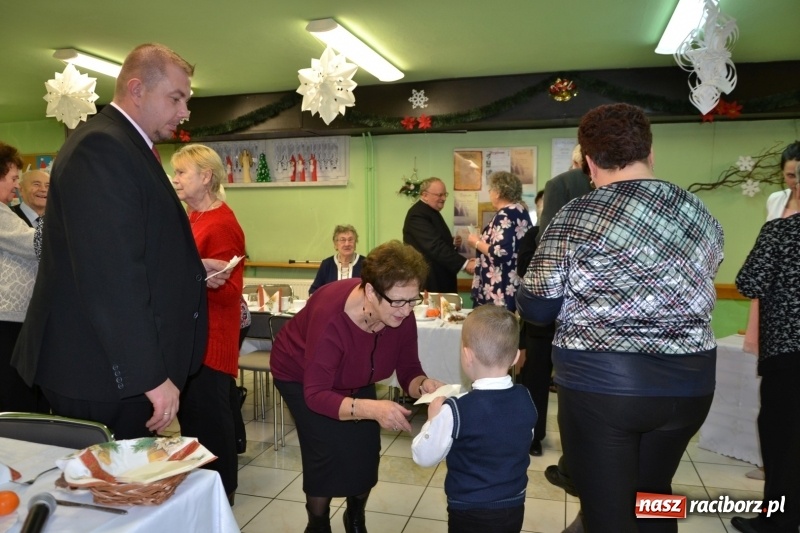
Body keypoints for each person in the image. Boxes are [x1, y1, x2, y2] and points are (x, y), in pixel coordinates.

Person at [517, 103, 724, 532]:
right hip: (690, 385)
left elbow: (536, 306)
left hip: (605, 388)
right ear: (650, 153)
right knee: (654, 496)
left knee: (608, 512)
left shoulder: (576, 214)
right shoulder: (699, 212)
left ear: (590, 163)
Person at [11, 43, 231, 440]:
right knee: (114, 478)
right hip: (101, 373)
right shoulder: (102, 147)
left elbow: (130, 247)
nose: (185, 111)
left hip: (110, 369)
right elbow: (110, 276)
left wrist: (192, 269)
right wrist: (149, 376)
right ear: (137, 89)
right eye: (176, 98)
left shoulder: (126, 146)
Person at [270, 240, 446, 533]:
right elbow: (316, 394)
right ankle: (317, 523)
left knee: (365, 449)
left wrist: (424, 385)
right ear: (371, 292)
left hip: (355, 374)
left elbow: (409, 370)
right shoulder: (332, 318)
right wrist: (371, 409)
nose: (406, 311)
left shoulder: (401, 312)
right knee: (324, 450)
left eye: (412, 300)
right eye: (398, 302)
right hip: (301, 376)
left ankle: (355, 517)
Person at [411, 305, 537, 533]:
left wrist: (432, 420)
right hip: (513, 506)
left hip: (469, 511)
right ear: (515, 357)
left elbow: (423, 457)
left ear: (467, 355)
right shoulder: (525, 397)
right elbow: (524, 437)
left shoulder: (455, 410)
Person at [171, 144, 245, 504]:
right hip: (192, 340)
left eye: (181, 172)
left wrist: (194, 275)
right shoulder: (193, 217)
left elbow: (229, 293)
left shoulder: (222, 223)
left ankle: (221, 498)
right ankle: (203, 496)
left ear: (206, 176)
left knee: (211, 427)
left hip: (210, 343)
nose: (175, 179)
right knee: (193, 425)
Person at [732, 172, 800, 533]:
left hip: (788, 350)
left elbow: (748, 282)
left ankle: (778, 521)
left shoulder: (781, 231)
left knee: (783, 438)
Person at [0, 142, 48, 413]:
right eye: (13, 178)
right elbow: (35, 244)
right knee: (14, 399)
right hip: (6, 321)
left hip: (11, 319)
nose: (17, 185)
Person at [467, 171, 530, 311]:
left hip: (500, 288)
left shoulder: (504, 215)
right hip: (514, 283)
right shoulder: (520, 211)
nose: (489, 193)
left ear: (498, 193)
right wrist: (481, 257)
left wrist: (476, 243)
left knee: (495, 323)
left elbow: (502, 252)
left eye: (490, 190)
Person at [403, 177, 475, 292]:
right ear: (425, 195)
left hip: (439, 279)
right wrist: (465, 264)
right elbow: (434, 246)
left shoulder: (430, 211)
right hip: (430, 282)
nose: (444, 198)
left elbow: (432, 239)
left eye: (445, 194)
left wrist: (451, 242)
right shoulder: (417, 215)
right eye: (439, 195)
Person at [309, 224, 365, 296]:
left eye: (350, 240)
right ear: (336, 244)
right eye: (342, 240)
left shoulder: (366, 264)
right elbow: (314, 290)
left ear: (355, 243)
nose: (347, 244)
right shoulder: (327, 264)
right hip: (331, 303)